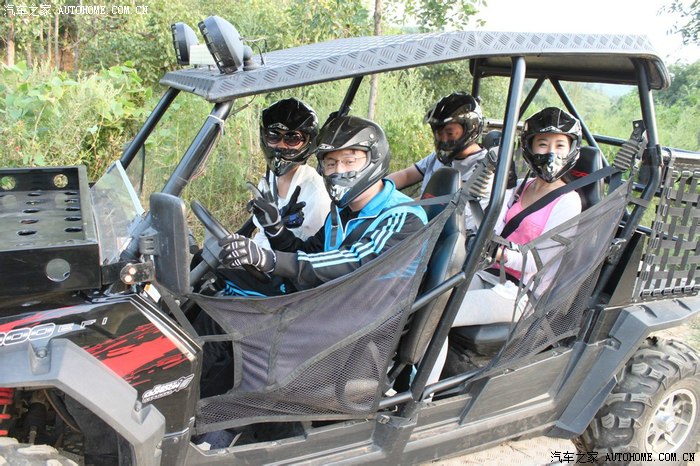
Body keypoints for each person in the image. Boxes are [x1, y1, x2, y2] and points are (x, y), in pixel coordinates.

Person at [197, 115, 428, 397]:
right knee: (218, 296)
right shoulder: (342, 212)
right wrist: (275, 229)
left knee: (226, 318)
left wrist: (270, 260)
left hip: (353, 328)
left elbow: (354, 262)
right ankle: (197, 402)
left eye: (350, 161)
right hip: (324, 308)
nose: (339, 170)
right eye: (331, 163)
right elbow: (310, 254)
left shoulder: (403, 216)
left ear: (374, 159)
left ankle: (204, 408)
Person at [452, 106, 584, 327]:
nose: (551, 153)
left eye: (560, 145)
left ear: (571, 149)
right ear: (529, 147)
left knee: (439, 318)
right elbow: (492, 227)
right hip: (488, 272)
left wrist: (499, 253)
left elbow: (539, 263)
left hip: (522, 293)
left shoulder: (568, 201)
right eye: (543, 144)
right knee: (429, 303)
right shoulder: (521, 186)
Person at [388, 92, 489, 231]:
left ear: (470, 128)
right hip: (422, 228)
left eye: (450, 133)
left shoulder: (485, 168)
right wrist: (376, 187)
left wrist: (398, 206)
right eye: (439, 133)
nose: (443, 139)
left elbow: (439, 204)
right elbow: (406, 175)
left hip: (450, 236)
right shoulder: (437, 158)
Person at [251, 98, 330, 250]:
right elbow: (262, 234)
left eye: (292, 138)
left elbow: (314, 253)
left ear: (307, 142)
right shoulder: (268, 180)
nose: (281, 145)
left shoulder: (316, 194)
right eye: (273, 135)